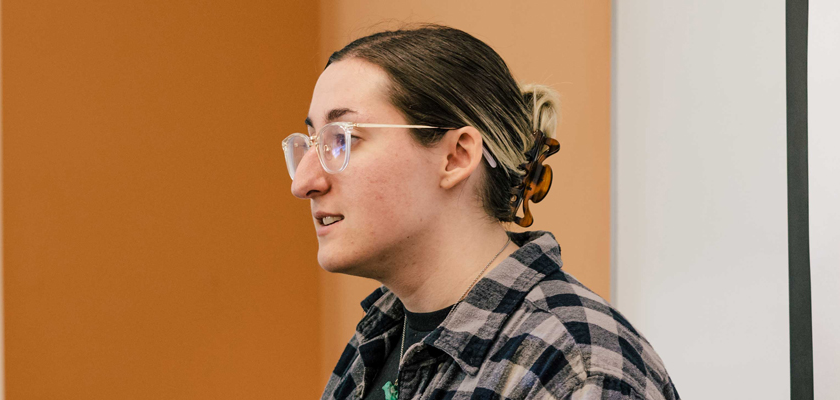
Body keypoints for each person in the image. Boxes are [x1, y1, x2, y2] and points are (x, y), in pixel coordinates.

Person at [283, 24, 678, 400]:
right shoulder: (378, 338)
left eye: (342, 140)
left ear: (456, 156)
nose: (303, 182)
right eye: (311, 143)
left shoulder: (576, 369)